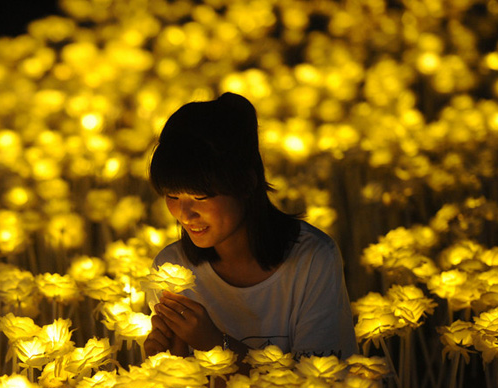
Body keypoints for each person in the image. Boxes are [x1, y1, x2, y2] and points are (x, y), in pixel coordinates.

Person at [144, 92, 358, 361]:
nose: (185, 214)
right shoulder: (172, 270)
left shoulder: (311, 259)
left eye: (200, 197)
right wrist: (166, 359)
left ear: (245, 183)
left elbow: (321, 386)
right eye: (172, 197)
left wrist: (217, 345)